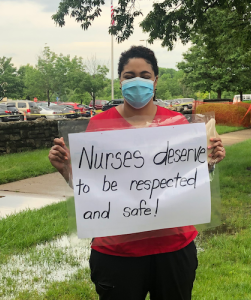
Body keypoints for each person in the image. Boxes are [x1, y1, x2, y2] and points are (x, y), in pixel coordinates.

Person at [49, 46, 226, 300]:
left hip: (174, 248)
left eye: (144, 75)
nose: (137, 81)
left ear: (155, 80)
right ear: (120, 80)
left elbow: (188, 181)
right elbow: (93, 189)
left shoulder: (177, 124)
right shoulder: (98, 125)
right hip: (117, 252)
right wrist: (66, 169)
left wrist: (209, 162)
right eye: (129, 75)